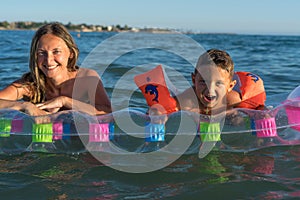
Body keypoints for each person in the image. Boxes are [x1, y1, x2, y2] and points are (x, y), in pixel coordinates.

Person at [0, 22, 111, 116]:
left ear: (71, 53)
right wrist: (24, 106)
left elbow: (108, 112)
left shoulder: (86, 79)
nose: (49, 60)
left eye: (56, 52)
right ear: (35, 56)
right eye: (42, 53)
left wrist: (65, 101)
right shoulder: (30, 85)